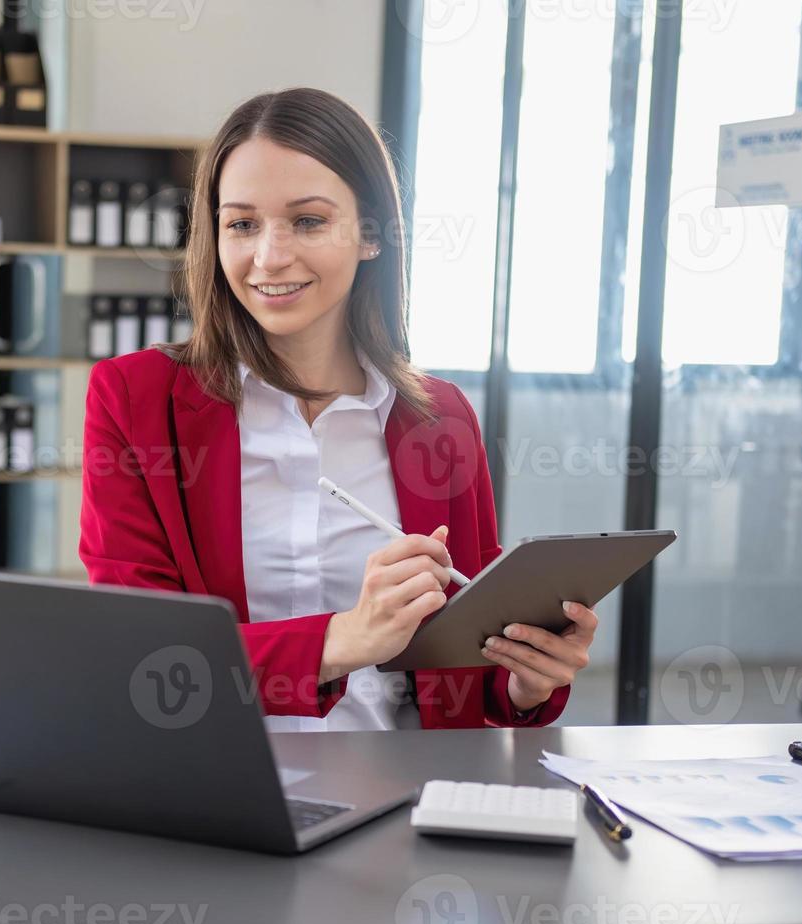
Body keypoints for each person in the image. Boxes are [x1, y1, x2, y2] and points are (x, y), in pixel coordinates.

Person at [79, 87, 594, 731]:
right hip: (216, 785)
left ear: (371, 235)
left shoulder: (441, 417)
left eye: (308, 221)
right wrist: (343, 641)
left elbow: (466, 675)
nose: (269, 256)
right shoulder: (135, 399)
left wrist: (523, 679)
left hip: (404, 795)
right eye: (241, 224)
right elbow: (140, 652)